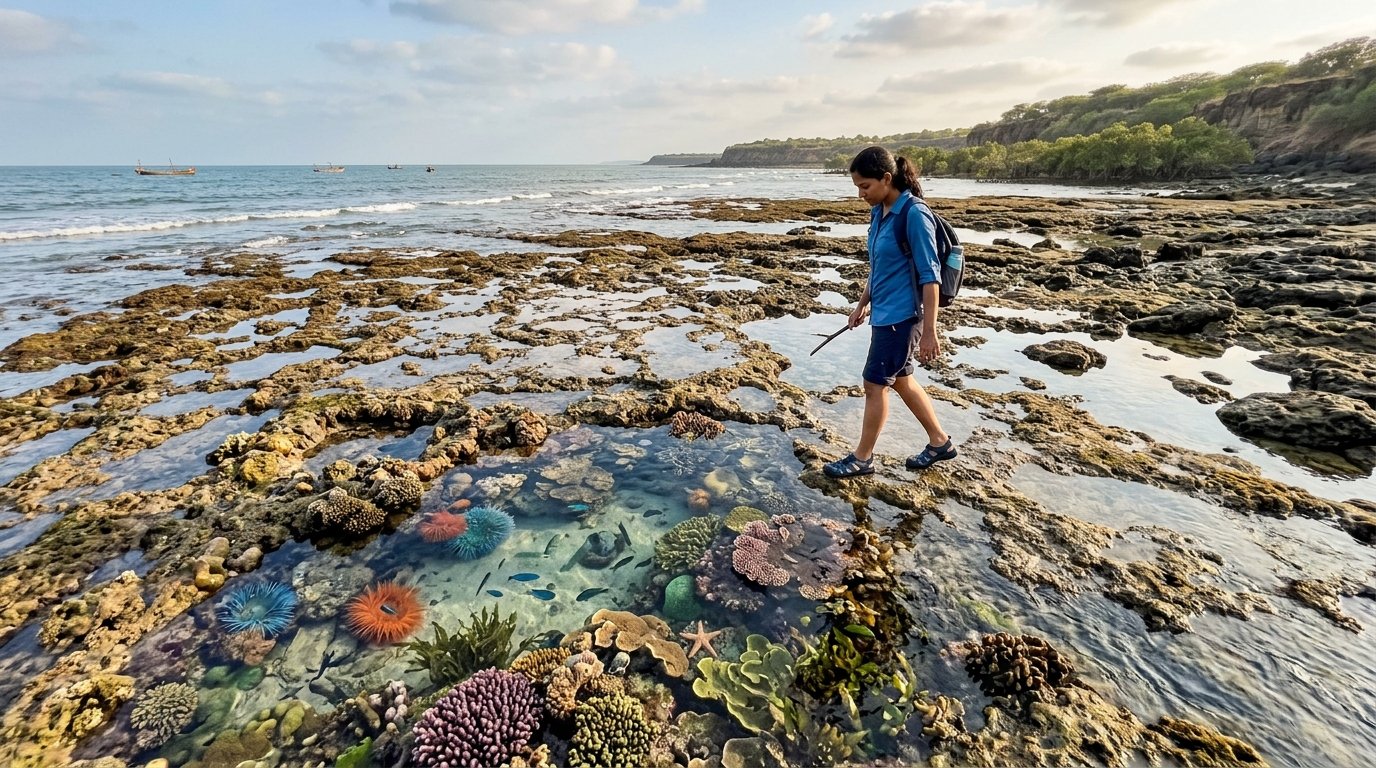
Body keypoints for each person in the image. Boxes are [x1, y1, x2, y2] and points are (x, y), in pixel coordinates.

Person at [823, 146, 956, 478]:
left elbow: (931, 276)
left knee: (874, 384)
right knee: (901, 380)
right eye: (857, 187)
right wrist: (861, 305)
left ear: (886, 178)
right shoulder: (879, 211)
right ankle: (940, 442)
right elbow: (878, 266)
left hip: (903, 317)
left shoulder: (914, 214)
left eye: (865, 186)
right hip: (884, 312)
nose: (860, 194)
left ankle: (862, 458)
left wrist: (930, 332)